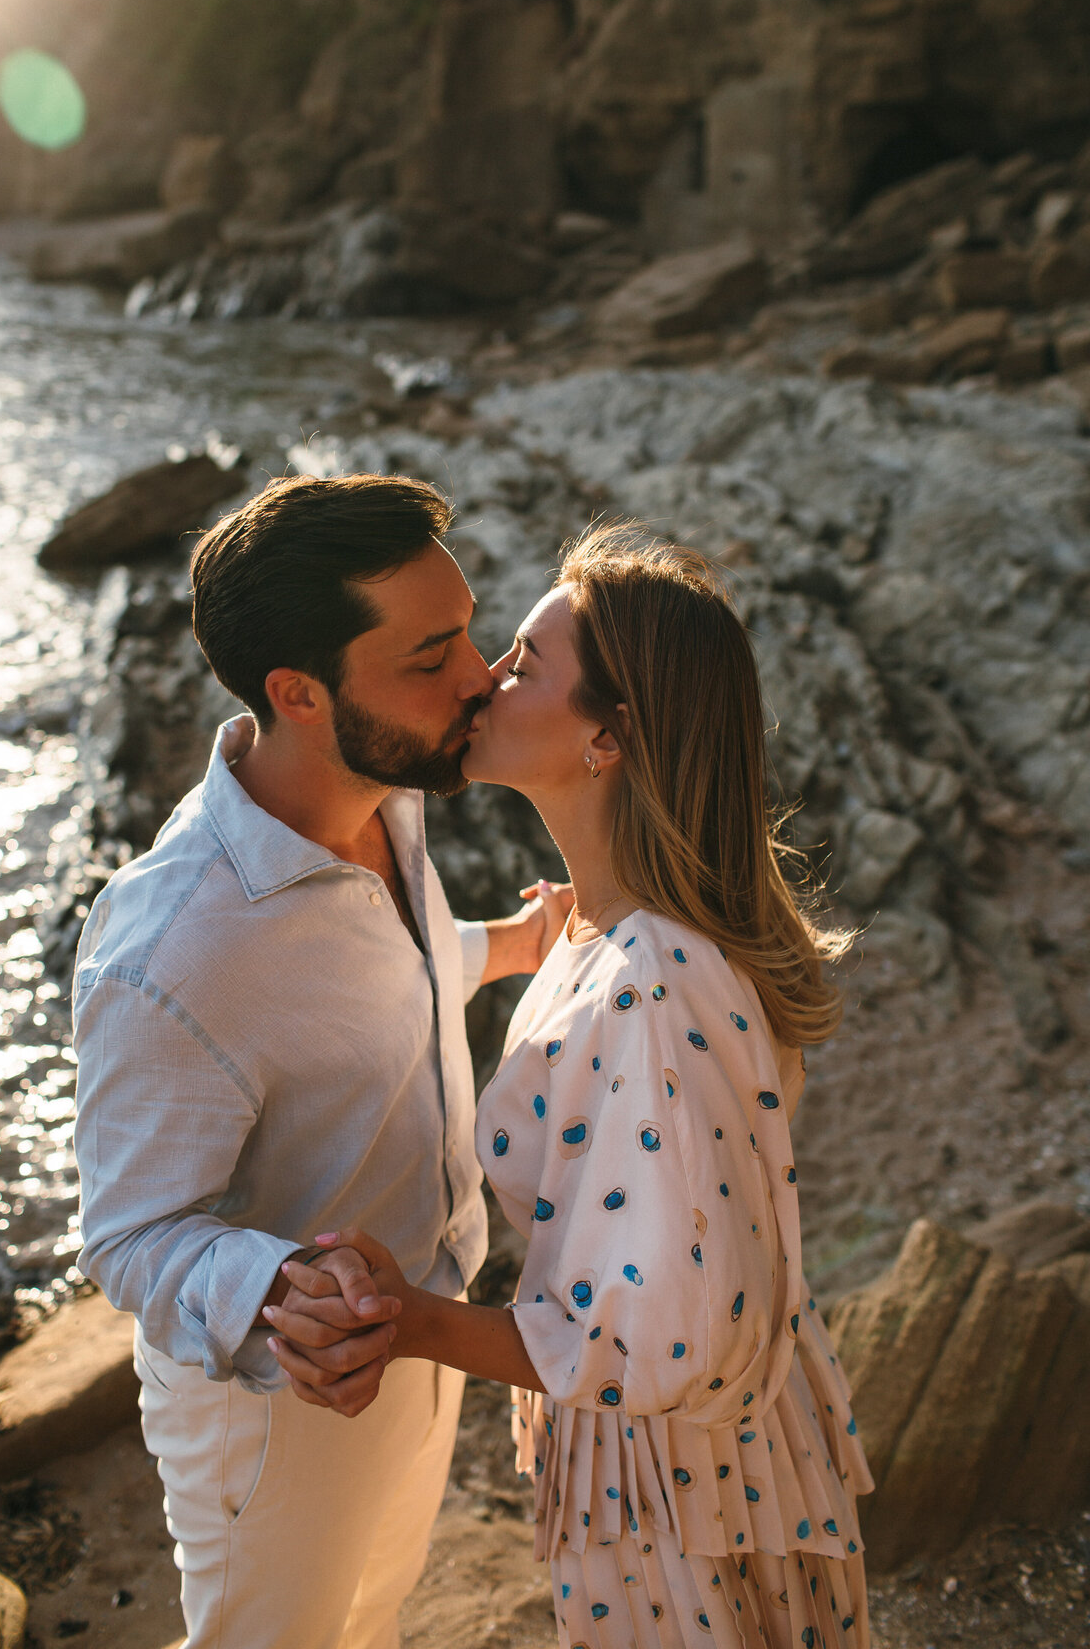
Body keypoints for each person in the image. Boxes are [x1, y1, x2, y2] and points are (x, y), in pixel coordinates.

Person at [268, 523, 874, 1649]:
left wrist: (414, 1322)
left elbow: (660, 1340)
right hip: (691, 1467)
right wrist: (514, 945)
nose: (487, 676)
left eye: (525, 662)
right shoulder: (607, 939)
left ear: (608, 737)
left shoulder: (653, 985)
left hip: (676, 1491)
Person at [72, 473, 571, 1649]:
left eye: (469, 630)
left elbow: (379, 967)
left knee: (377, 1616)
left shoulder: (383, 795)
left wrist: (512, 943)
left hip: (422, 1327)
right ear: (299, 692)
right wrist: (277, 1288)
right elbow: (128, 1234)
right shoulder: (170, 953)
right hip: (279, 1401)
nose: (480, 677)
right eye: (431, 655)